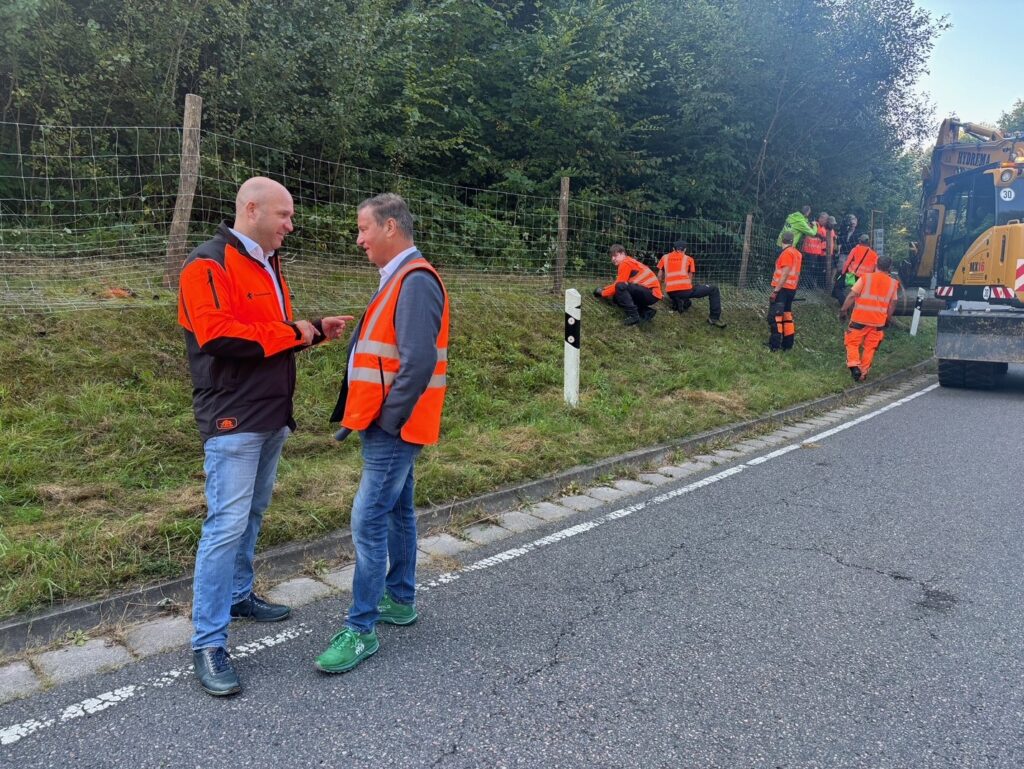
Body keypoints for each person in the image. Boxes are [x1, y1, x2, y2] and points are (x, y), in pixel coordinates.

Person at [178, 177, 352, 697]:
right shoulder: (206, 264)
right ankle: (208, 642)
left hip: (272, 412)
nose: (290, 225)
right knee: (225, 524)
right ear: (250, 209)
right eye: (284, 215)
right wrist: (295, 331)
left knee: (251, 513)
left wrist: (313, 329)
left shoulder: (268, 264)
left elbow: (267, 334)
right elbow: (220, 335)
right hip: (231, 416)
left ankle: (238, 594)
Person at [315, 192, 449, 675]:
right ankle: (400, 599)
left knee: (367, 519)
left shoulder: (414, 282)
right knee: (396, 511)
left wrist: (388, 421)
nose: (359, 239)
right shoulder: (400, 278)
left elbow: (418, 361)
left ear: (391, 227)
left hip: (393, 427)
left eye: (363, 228)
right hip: (387, 423)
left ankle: (361, 628)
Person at [840, 254, 900, 382]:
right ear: (889, 268)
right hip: (878, 321)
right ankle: (862, 373)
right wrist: (887, 319)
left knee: (852, 342)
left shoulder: (865, 278)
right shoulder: (893, 284)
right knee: (870, 347)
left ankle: (854, 366)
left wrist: (843, 310)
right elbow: (893, 302)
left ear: (876, 264)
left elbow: (852, 296)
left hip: (859, 319)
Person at [656, 239, 726, 328]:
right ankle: (714, 318)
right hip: (685, 290)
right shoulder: (689, 259)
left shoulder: (664, 257)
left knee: (684, 298)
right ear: (685, 249)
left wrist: (659, 292)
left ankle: (678, 301)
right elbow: (690, 278)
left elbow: (659, 276)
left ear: (673, 248)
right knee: (714, 289)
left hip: (670, 291)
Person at [593, 244, 662, 326]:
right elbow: (618, 284)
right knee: (618, 296)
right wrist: (604, 289)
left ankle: (633, 316)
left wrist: (602, 293)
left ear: (623, 253)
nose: (613, 259)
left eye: (615, 256)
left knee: (620, 289)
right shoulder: (629, 262)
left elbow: (619, 285)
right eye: (611, 257)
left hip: (651, 292)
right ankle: (646, 312)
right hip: (651, 294)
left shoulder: (625, 263)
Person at [768, 231, 803, 352]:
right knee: (787, 316)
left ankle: (774, 345)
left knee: (776, 316)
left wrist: (776, 291)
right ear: (792, 241)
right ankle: (788, 344)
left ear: (782, 239)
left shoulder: (787, 253)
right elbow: (796, 273)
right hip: (791, 289)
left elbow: (785, 273)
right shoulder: (798, 254)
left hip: (782, 289)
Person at [836, 234, 879, 303]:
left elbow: (847, 262)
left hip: (853, 275)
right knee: (859, 294)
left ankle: (844, 303)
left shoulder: (855, 249)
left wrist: (843, 273)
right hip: (865, 278)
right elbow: (875, 268)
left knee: (838, 287)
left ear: (860, 241)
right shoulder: (874, 254)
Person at [799, 212, 829, 289]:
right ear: (820, 218)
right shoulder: (814, 224)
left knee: (811, 269)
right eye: (824, 218)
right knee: (807, 268)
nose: (825, 221)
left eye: (826, 219)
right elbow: (807, 230)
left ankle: (809, 285)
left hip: (816, 252)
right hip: (808, 250)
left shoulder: (824, 229)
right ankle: (805, 285)